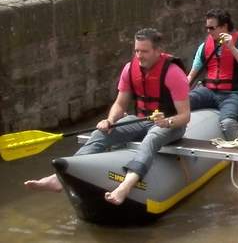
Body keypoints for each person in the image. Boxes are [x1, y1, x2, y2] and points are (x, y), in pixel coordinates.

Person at [24, 28, 190, 205]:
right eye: (136, 50)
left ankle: (125, 186)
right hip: (141, 119)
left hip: (171, 125)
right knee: (102, 133)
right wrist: (110, 121)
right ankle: (58, 179)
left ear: (158, 51)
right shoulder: (129, 69)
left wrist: (167, 121)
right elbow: (120, 104)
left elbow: (185, 116)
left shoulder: (173, 73)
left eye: (145, 51)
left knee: (152, 137)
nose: (139, 56)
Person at [187, 9, 238, 140]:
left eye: (212, 28)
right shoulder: (204, 46)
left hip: (234, 93)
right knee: (179, 104)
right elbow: (191, 75)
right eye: (207, 28)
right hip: (208, 91)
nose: (208, 31)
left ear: (224, 26)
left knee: (227, 123)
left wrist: (232, 48)